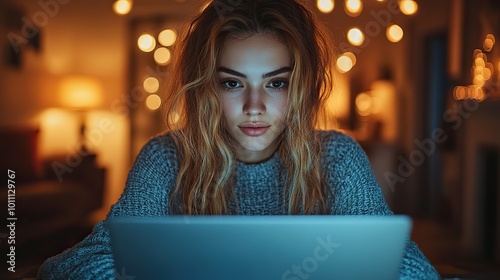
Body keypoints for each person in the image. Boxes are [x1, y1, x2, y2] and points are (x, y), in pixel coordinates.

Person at [38, 0, 440, 279]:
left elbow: (410, 267)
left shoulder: (337, 156)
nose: (254, 105)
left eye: (275, 83)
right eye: (232, 82)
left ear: (299, 87)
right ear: (206, 87)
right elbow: (79, 260)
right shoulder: (166, 156)